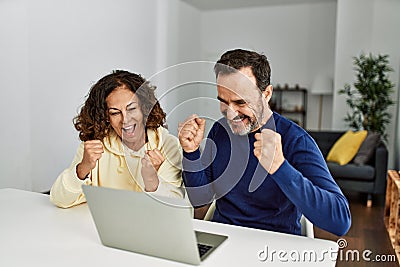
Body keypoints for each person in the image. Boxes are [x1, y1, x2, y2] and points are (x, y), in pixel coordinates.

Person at [178, 49, 351, 236]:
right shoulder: (220, 131)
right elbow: (201, 200)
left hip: (273, 245)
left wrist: (280, 167)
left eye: (240, 102)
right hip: (222, 238)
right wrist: (192, 152)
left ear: (267, 94)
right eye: (223, 101)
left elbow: (340, 221)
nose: (230, 113)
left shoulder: (296, 141)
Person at [50, 70, 184, 208]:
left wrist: (151, 179)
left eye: (131, 109)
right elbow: (59, 199)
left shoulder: (167, 145)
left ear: (144, 109)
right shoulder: (96, 144)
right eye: (115, 113)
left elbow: (174, 208)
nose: (125, 120)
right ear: (105, 117)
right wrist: (83, 168)